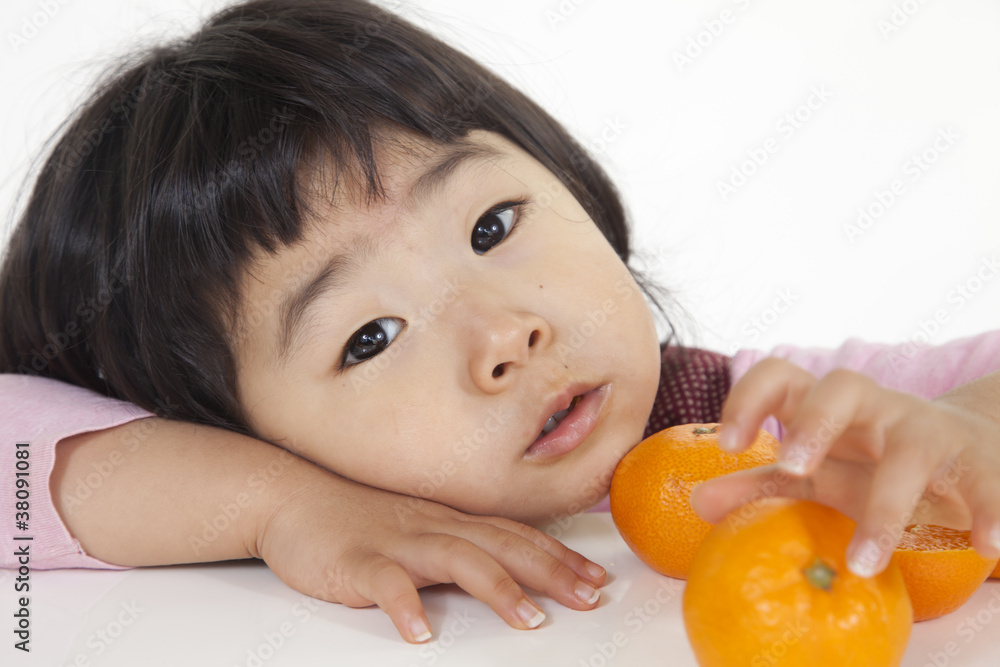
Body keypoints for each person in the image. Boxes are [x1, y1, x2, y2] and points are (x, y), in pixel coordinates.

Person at [1, 0, 998, 645]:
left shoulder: (774, 422)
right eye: (369, 336)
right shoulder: (274, 517)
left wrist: (969, 436)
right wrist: (273, 506)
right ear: (226, 430)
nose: (504, 333)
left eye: (492, 225)